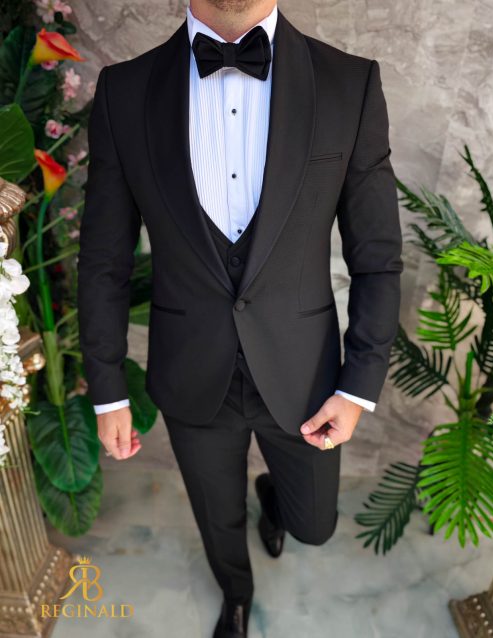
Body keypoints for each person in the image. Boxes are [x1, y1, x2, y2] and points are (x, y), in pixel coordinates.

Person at [77, 0, 403, 635]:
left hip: (305, 374)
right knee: (215, 515)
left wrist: (359, 386)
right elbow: (103, 261)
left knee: (315, 525)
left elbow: (378, 258)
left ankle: (274, 498)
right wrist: (108, 391)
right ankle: (235, 592)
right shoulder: (124, 91)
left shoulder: (350, 83)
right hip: (191, 368)